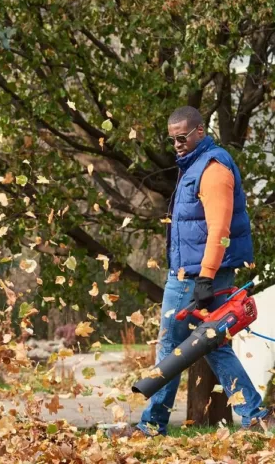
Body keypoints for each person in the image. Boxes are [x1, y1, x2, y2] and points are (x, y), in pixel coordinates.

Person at [119, 106, 272, 437]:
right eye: (172, 138)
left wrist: (204, 276)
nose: (176, 143)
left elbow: (219, 229)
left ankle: (151, 426)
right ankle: (256, 415)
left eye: (182, 137)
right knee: (213, 345)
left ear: (200, 131)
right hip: (195, 273)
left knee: (172, 349)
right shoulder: (194, 166)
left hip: (197, 278)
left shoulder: (213, 169)